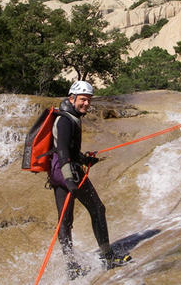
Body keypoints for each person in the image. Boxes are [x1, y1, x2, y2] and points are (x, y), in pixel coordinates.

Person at [48, 80, 131, 280]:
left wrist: (85, 159)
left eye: (88, 100)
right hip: (68, 173)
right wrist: (70, 180)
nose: (86, 104)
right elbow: (63, 151)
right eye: (83, 99)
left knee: (65, 221)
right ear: (72, 98)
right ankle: (107, 256)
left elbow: (70, 150)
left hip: (57, 172)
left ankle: (72, 266)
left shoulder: (68, 117)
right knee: (97, 209)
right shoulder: (66, 121)